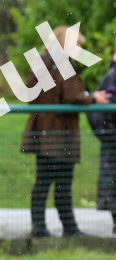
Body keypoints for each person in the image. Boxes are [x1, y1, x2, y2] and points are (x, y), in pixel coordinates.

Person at [21, 25, 111, 238]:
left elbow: (30, 93)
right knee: (63, 182)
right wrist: (93, 99)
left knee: (43, 181)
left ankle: (39, 227)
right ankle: (69, 228)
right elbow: (73, 96)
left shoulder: (41, 62)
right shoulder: (63, 64)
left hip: (41, 130)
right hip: (61, 132)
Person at [91, 46, 116, 235]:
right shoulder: (111, 77)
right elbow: (99, 113)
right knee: (112, 182)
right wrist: (109, 134)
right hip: (113, 142)